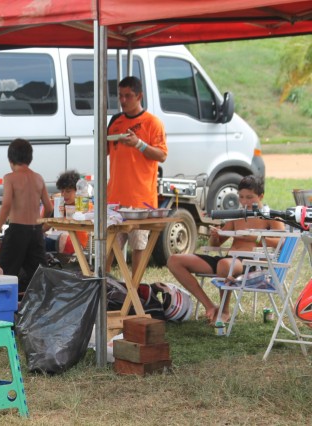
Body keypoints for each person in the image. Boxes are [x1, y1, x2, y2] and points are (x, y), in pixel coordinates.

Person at [167, 175, 285, 324]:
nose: (245, 202)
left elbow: (282, 242)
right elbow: (216, 244)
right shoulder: (237, 216)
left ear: (261, 196)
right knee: (174, 261)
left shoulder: (269, 216)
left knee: (224, 264)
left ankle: (224, 310)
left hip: (251, 262)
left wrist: (255, 239)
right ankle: (210, 306)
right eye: (241, 197)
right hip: (229, 260)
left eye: (250, 197)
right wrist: (216, 235)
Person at [107, 76, 168, 273]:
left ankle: (135, 291)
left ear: (139, 96)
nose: (123, 100)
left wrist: (139, 144)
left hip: (141, 200)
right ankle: (103, 289)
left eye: (128, 96)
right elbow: (104, 151)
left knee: (139, 246)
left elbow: (162, 155)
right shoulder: (116, 121)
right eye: (120, 96)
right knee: (108, 246)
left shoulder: (152, 123)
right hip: (114, 199)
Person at [0, 138, 53, 293]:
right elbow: (49, 208)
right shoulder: (38, 178)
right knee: (41, 278)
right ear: (30, 158)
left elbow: (7, 204)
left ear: (10, 160)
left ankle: (3, 311)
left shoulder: (10, 178)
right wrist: (40, 229)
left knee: (2, 273)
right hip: (35, 231)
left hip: (17, 231)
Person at [47, 170, 89, 254]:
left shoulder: (83, 205)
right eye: (62, 191)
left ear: (77, 190)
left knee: (62, 238)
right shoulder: (60, 205)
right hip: (59, 239)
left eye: (68, 191)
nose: (64, 194)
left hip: (75, 242)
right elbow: (46, 226)